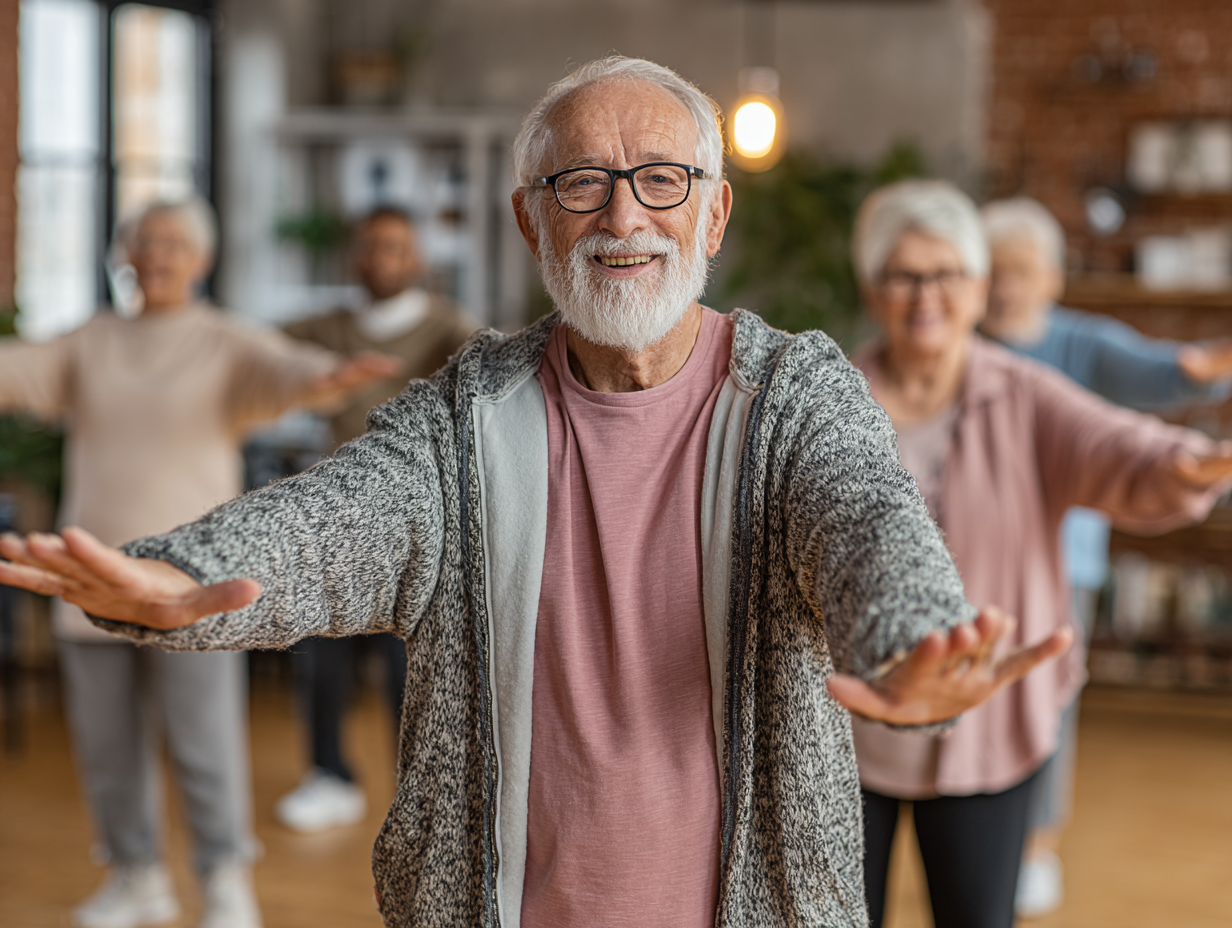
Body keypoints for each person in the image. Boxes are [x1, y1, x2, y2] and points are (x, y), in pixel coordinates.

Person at [0, 59, 1074, 928]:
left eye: (662, 179)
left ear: (712, 215)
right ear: (530, 219)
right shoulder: (463, 412)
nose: (623, 215)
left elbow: (867, 517)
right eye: (581, 182)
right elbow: (338, 516)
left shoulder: (793, 396)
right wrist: (172, 573)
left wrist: (912, 636)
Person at [0, 197, 400, 928]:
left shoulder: (222, 341)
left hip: (190, 581)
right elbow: (19, 369)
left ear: (202, 258)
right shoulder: (92, 339)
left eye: (174, 243)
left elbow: (286, 372)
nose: (157, 255)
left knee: (203, 743)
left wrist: (333, 375)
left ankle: (224, 883)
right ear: (124, 253)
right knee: (108, 748)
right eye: (145, 241)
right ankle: (136, 874)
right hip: (89, 576)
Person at [849, 179, 1232, 928]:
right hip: (849, 728)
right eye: (903, 274)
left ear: (980, 287)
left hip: (990, 720)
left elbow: (1115, 446)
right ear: (871, 290)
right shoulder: (832, 400)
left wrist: (1183, 463)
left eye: (948, 273)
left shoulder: (1026, 393)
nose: (927, 294)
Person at [979, 196, 1232, 917]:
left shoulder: (1082, 343)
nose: (1007, 286)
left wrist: (1207, 365)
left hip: (1062, 564)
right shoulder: (956, 343)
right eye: (996, 270)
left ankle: (1036, 848)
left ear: (1053, 279)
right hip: (968, 557)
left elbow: (1166, 373)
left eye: (1023, 272)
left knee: (1048, 699)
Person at [276, 206, 476, 833]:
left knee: (408, 668)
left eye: (394, 247)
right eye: (370, 247)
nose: (381, 258)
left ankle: (415, 790)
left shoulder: (449, 329)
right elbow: (259, 351)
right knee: (325, 658)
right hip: (335, 521)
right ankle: (328, 774)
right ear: (354, 256)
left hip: (414, 526)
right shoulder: (326, 326)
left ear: (416, 258)